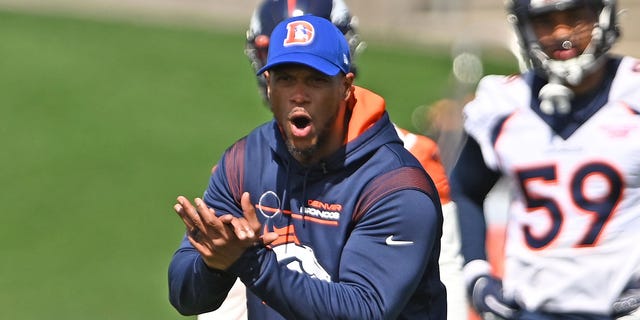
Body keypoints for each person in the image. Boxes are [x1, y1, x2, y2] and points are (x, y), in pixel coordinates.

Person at [168, 14, 447, 320]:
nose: (299, 96)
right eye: (286, 78)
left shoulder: (395, 188)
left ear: (345, 87)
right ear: (269, 86)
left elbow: (364, 310)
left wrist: (248, 261)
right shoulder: (244, 161)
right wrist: (214, 263)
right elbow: (184, 296)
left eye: (315, 79)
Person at [449, 0, 640, 319]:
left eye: (575, 17)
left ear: (601, 17)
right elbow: (465, 189)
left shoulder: (633, 91)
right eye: (545, 21)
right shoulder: (502, 102)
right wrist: (476, 273)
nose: (561, 33)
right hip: (531, 309)